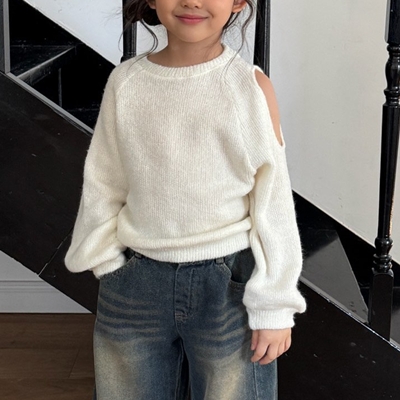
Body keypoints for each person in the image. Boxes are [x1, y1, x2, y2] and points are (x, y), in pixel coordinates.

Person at [64, 0, 307, 399]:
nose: (192, 1)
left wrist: (276, 304)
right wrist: (106, 262)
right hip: (135, 282)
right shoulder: (126, 82)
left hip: (226, 288)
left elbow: (273, 201)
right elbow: (105, 180)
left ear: (238, 2)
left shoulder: (250, 88)